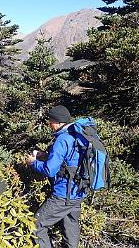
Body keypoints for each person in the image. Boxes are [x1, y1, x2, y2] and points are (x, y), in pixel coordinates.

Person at [25, 105, 85, 248]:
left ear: (57, 122)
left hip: (63, 194)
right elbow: (69, 161)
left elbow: (49, 171)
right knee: (71, 225)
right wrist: (45, 156)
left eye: (50, 121)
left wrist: (33, 163)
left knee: (36, 224)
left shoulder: (62, 139)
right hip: (79, 190)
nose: (49, 124)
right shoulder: (77, 134)